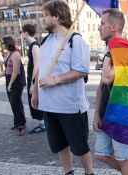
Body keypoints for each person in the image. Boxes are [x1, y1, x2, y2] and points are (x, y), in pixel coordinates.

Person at [30, 1, 93, 174]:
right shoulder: (46, 40)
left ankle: (89, 172)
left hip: (70, 106)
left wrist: (55, 79)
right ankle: (68, 171)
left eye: (45, 15)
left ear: (56, 17)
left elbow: (81, 70)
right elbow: (41, 69)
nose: (43, 19)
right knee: (58, 144)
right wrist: (35, 91)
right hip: (49, 104)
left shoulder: (75, 40)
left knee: (79, 145)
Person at [93, 9, 128, 175]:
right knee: (101, 154)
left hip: (121, 115)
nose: (99, 28)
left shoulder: (123, 50)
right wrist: (97, 113)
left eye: (103, 24)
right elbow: (101, 86)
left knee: (124, 158)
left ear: (114, 27)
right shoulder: (111, 49)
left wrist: (110, 53)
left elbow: (106, 77)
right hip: (106, 113)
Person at [0, 36, 27, 136]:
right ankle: (18, 122)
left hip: (16, 81)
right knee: (13, 102)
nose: (1, 45)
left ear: (7, 43)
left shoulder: (16, 54)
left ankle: (21, 125)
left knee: (15, 102)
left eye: (2, 43)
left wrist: (10, 84)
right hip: (9, 79)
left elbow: (15, 71)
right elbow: (7, 71)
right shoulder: (8, 53)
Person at [21, 24, 45, 134]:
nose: (21, 35)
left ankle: (42, 125)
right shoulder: (32, 45)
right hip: (31, 76)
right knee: (34, 101)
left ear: (26, 32)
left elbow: (37, 65)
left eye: (22, 32)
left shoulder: (35, 46)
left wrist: (33, 83)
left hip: (34, 77)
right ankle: (41, 123)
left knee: (36, 101)